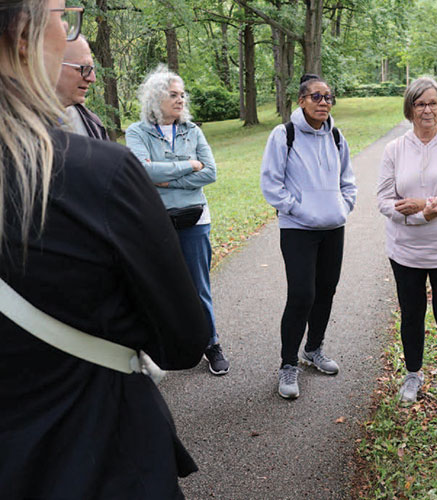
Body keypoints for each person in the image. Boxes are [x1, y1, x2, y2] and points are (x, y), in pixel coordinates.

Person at [0, 1, 211, 497]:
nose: (67, 26)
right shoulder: (98, 173)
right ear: (22, 35)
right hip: (100, 456)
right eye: (63, 15)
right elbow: (183, 341)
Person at [376, 77, 437, 416]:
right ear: (410, 108)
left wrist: (433, 204)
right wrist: (420, 215)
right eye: (420, 103)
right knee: (412, 314)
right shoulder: (395, 149)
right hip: (406, 250)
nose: (427, 109)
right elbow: (384, 200)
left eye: (433, 103)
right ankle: (413, 375)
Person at [125, 65, 229, 375]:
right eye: (174, 95)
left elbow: (210, 173)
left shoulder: (193, 130)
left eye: (183, 94)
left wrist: (166, 180)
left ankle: (212, 344)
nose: (181, 100)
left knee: (199, 287)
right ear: (156, 99)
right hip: (156, 222)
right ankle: (168, 346)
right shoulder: (137, 132)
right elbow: (142, 172)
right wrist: (188, 165)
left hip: (194, 219)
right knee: (160, 286)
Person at [260, 73, 357, 400]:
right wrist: (299, 210)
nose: (324, 102)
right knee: (302, 294)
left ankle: (313, 348)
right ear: (301, 100)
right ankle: (288, 364)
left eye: (329, 97)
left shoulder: (337, 136)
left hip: (333, 228)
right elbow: (271, 184)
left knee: (326, 291)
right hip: (298, 230)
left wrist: (343, 207)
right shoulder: (283, 135)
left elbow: (348, 179)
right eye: (316, 97)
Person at [55, 34, 108, 140]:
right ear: (52, 65)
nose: (92, 79)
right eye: (84, 69)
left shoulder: (93, 125)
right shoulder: (16, 126)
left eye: (92, 69)